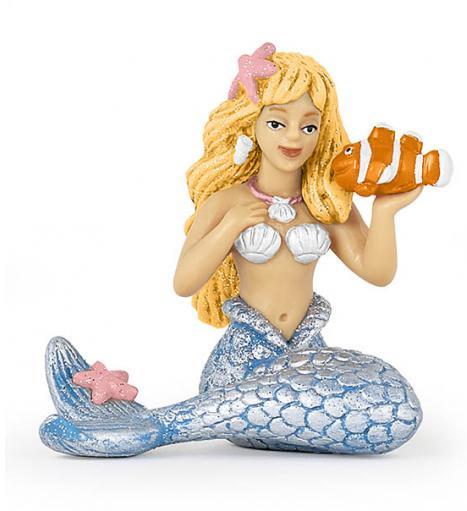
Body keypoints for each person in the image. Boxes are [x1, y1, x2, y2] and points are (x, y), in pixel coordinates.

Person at [40, 43, 423, 457]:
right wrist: (232, 225)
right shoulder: (228, 200)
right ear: (250, 123)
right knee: (372, 408)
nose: (293, 137)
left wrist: (385, 211)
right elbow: (184, 282)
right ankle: (163, 425)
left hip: (307, 360)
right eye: (277, 123)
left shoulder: (323, 203)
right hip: (243, 362)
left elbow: (377, 272)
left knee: (389, 407)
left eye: (309, 127)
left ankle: (164, 424)